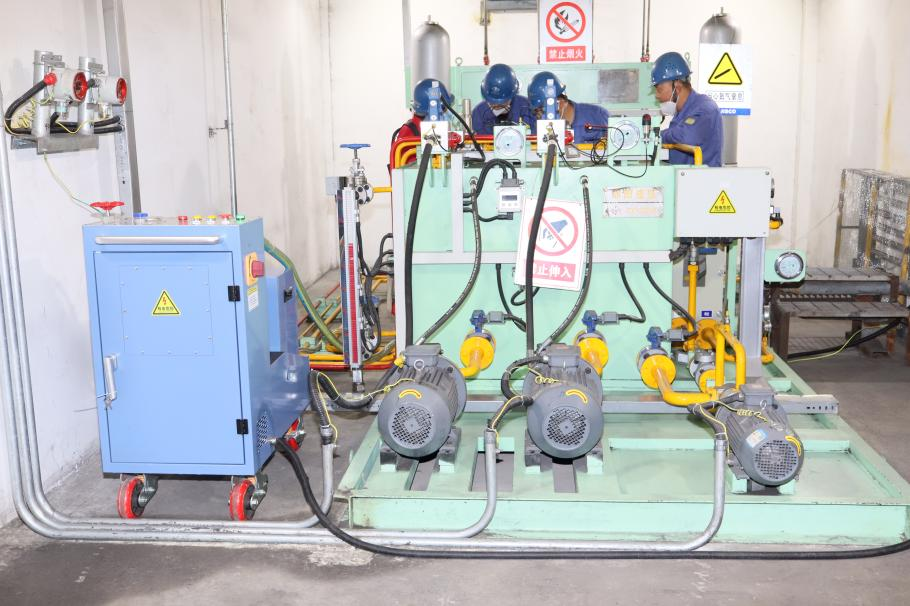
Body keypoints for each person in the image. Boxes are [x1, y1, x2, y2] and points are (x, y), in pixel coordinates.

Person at [651, 51, 723, 167]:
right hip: (684, 176)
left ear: (677, 87)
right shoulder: (681, 113)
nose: (657, 96)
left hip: (702, 177)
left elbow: (686, 136)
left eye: (659, 90)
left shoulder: (706, 108)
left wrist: (656, 136)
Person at [527, 71, 610, 145]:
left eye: (543, 108)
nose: (541, 115)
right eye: (537, 111)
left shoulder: (598, 115)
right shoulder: (538, 124)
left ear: (562, 100)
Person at [388, 78, 453, 170]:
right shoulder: (408, 136)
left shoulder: (427, 130)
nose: (447, 112)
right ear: (435, 111)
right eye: (445, 109)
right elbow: (412, 173)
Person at [470, 63, 534, 135]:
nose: (497, 104)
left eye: (503, 101)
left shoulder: (527, 107)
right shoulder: (478, 113)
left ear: (512, 94)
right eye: (492, 101)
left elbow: (537, 136)